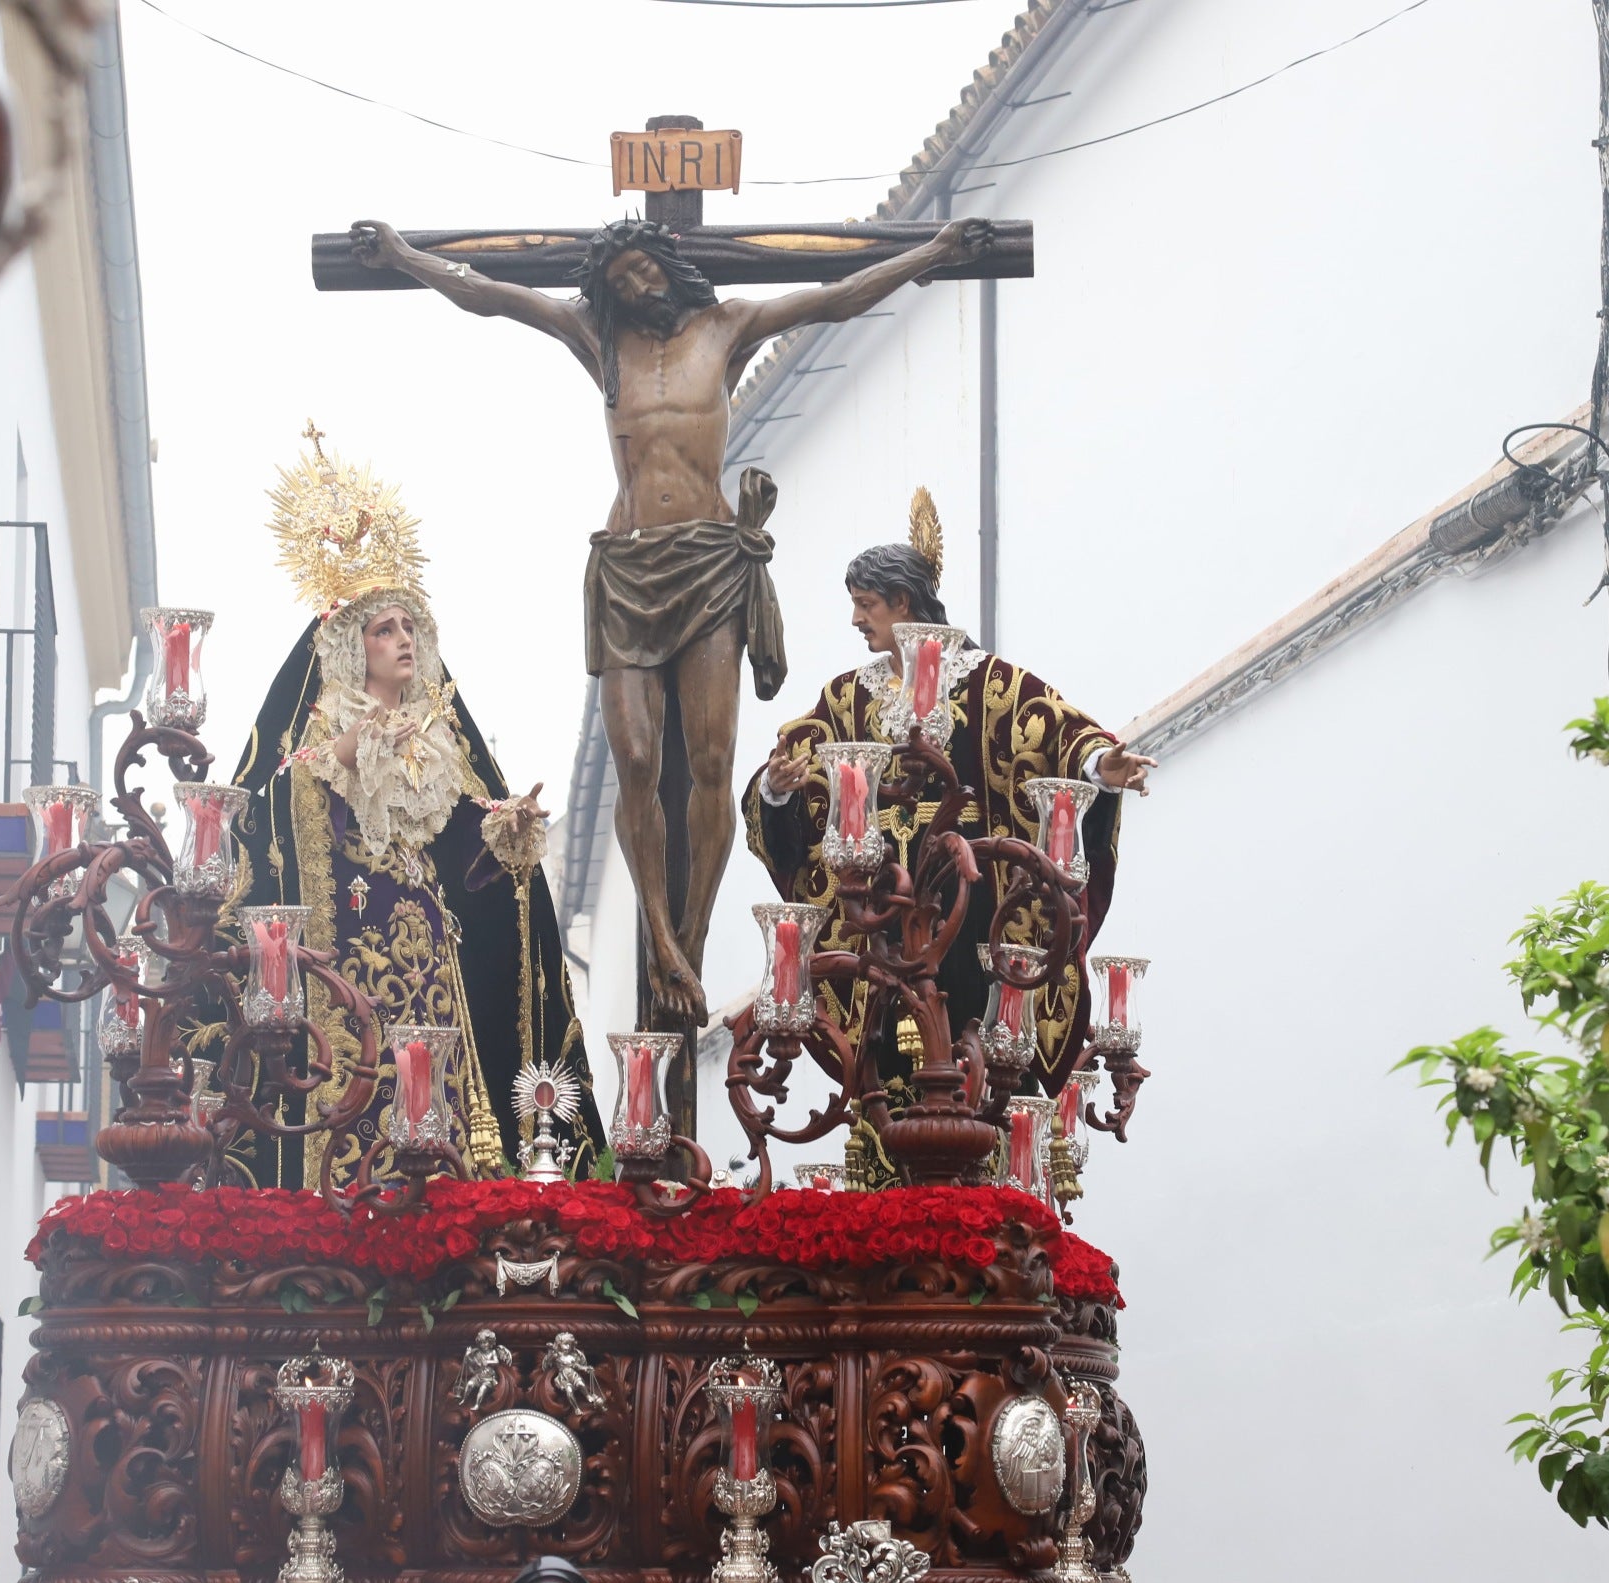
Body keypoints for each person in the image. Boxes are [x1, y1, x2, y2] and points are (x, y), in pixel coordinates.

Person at [347, 213, 994, 1027]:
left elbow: (834, 298)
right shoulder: (600, 341)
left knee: (715, 758)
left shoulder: (726, 328)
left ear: (670, 267)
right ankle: (658, 932)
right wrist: (407, 255)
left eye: (645, 274)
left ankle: (689, 934)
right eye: (620, 284)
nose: (637, 291)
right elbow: (492, 295)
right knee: (640, 762)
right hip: (626, 568)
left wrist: (933, 254)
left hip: (709, 566)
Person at [211, 427, 601, 1190]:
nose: (403, 641)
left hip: (429, 954)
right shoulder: (326, 730)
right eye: (384, 629)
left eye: (410, 627)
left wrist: (501, 836)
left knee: (436, 1100)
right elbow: (273, 812)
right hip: (351, 949)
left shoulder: (439, 746)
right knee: (365, 1083)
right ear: (354, 648)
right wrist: (345, 760)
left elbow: (461, 859)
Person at [740, 491, 1152, 1181]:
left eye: (865, 603)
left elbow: (1060, 734)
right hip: (878, 913)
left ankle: (996, 1157)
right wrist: (777, 786)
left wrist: (1099, 768)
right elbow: (790, 777)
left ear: (903, 603)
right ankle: (884, 1152)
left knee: (983, 1048)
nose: (855, 618)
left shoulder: (992, 684)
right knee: (882, 1058)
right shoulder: (847, 699)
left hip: (976, 914)